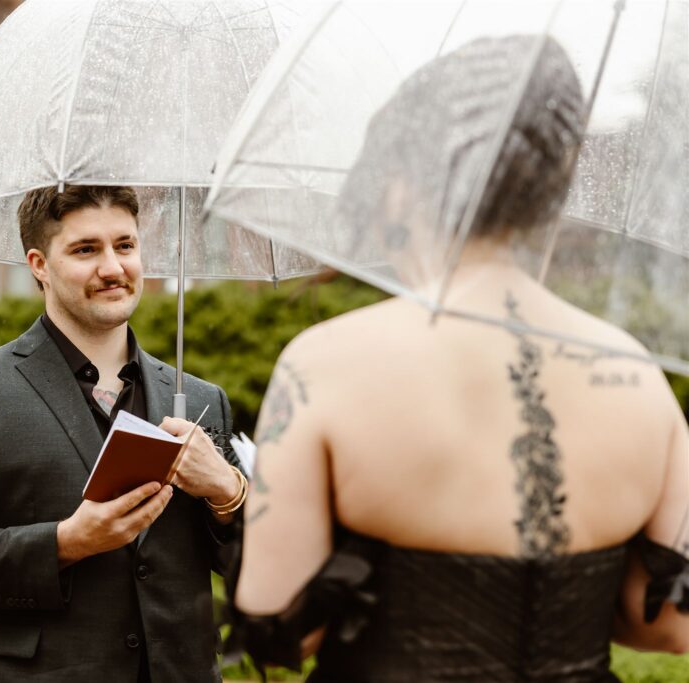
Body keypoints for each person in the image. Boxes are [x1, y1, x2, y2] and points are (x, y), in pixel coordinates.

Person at [231, 36, 689, 682]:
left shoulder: (325, 365)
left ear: (401, 190)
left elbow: (279, 623)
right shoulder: (638, 374)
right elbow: (669, 623)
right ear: (551, 192)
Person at [0, 185, 247, 683]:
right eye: (86, 250)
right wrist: (65, 542)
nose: (112, 267)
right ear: (39, 263)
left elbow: (258, 571)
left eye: (125, 245)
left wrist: (228, 492)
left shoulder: (201, 398)